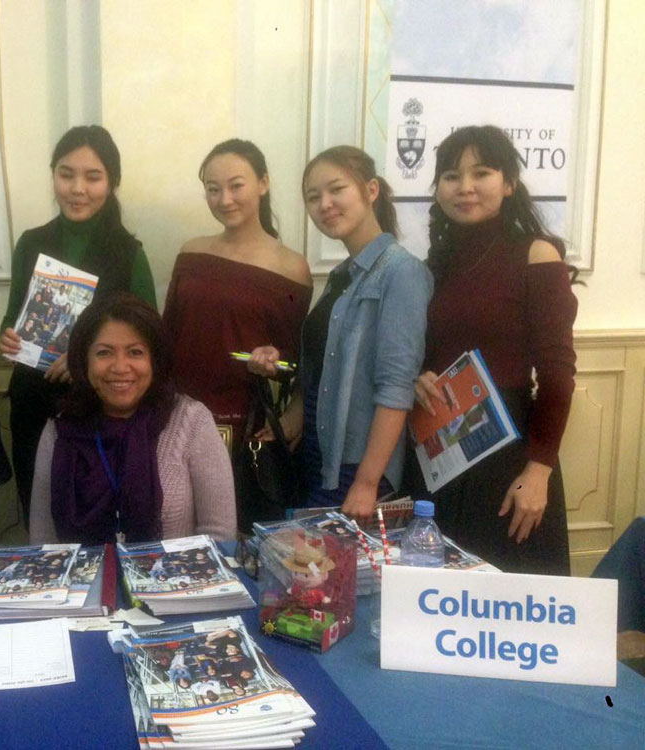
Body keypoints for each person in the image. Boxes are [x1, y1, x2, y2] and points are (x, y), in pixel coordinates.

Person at [412, 125, 578, 575]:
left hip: (509, 460)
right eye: (451, 176)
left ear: (508, 184)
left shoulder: (536, 255)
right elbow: (426, 350)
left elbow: (558, 374)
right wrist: (418, 377)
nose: (465, 187)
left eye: (481, 173)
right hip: (439, 452)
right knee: (435, 595)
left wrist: (539, 470)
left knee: (506, 596)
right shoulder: (432, 266)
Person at [248, 146, 432, 523]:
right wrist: (293, 412)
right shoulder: (341, 276)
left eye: (336, 190)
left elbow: (396, 386)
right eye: (313, 197)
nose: (325, 204)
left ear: (371, 190)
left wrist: (366, 482)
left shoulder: (401, 272)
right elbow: (323, 369)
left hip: (357, 467)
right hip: (318, 457)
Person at [0, 125, 156, 527]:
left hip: (99, 406)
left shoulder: (129, 253)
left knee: (94, 520)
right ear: (53, 175)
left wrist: (85, 358)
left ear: (112, 182)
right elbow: (13, 314)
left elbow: (149, 338)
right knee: (40, 517)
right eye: (66, 174)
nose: (77, 188)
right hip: (33, 403)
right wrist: (9, 336)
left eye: (93, 177)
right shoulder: (30, 243)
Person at [28, 293, 236, 545]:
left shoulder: (191, 421)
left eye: (135, 352)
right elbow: (43, 542)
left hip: (178, 571)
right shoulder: (59, 430)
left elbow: (220, 537)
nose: (120, 367)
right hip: (81, 572)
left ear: (154, 359)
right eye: (104, 353)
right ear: (84, 360)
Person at [163, 138, 313, 433]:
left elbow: (295, 362)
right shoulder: (191, 252)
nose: (224, 200)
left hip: (242, 423)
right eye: (213, 189)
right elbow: (166, 335)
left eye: (236, 186)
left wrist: (273, 360)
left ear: (263, 183)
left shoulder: (291, 268)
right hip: (176, 413)